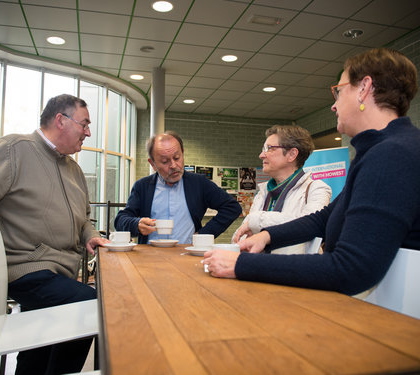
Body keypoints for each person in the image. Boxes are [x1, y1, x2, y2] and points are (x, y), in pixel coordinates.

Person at [203, 48, 420, 296]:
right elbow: (324, 218)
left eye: (338, 91)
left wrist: (242, 265)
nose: (333, 105)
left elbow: (352, 269)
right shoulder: (380, 150)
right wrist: (267, 236)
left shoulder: (391, 155)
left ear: (364, 88)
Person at [0, 94, 109, 374]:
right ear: (61, 120)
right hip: (27, 269)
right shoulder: (16, 149)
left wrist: (91, 234)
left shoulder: (75, 170)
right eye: (84, 124)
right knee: (88, 304)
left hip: (58, 274)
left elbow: (84, 220)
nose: (88, 132)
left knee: (41, 338)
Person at [114, 131, 242, 244]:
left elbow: (232, 207)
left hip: (187, 256)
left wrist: (205, 234)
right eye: (165, 161)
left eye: (177, 157)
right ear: (152, 164)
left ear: (183, 153)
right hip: (150, 257)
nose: (174, 165)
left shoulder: (199, 183)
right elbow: (120, 221)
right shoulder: (142, 187)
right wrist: (137, 224)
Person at [232, 125, 332, 254]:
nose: (261, 155)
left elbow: (308, 225)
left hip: (297, 270)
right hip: (260, 268)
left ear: (292, 154)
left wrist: (257, 220)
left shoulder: (317, 189)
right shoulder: (263, 192)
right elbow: (243, 233)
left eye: (269, 148)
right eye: (263, 149)